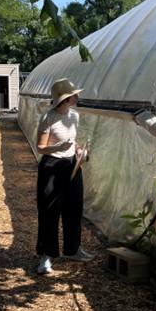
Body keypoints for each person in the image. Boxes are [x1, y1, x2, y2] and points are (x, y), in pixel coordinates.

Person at [36, 78, 93, 274]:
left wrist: (79, 152)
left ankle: (73, 249)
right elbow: (41, 147)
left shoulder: (74, 116)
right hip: (51, 166)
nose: (78, 97)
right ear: (66, 99)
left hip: (71, 166)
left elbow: (73, 141)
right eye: (74, 95)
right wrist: (58, 147)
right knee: (49, 211)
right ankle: (47, 255)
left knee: (74, 208)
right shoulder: (48, 118)